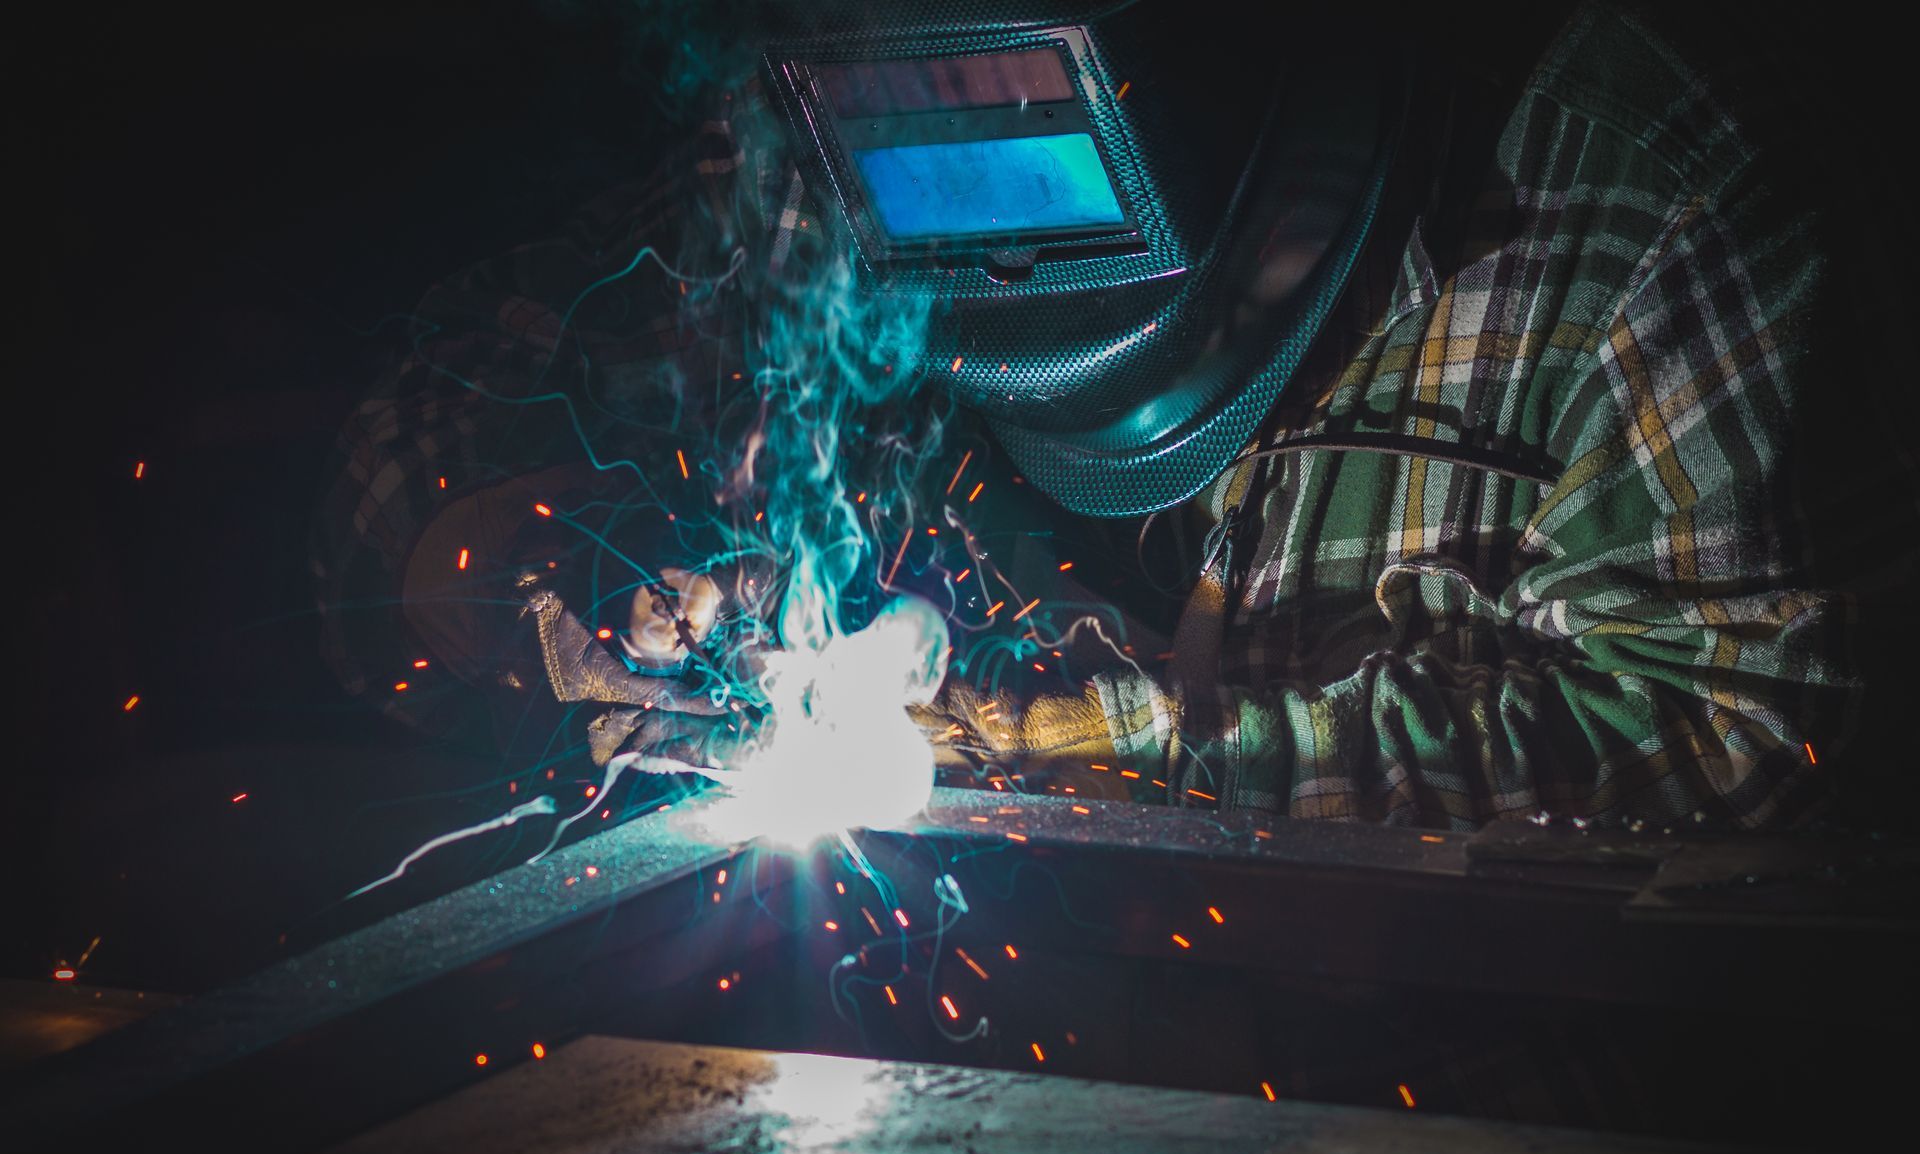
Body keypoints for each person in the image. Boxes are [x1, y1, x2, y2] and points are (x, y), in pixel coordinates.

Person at [314, 0, 1909, 830]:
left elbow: (1760, 737)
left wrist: (1153, 746)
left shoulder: (1641, 176)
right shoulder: (843, 116)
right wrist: (569, 557)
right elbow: (434, 406)